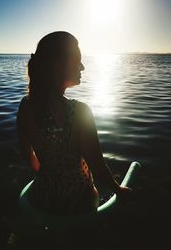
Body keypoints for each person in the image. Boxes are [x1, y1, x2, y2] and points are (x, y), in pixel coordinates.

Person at [16, 31, 131, 216]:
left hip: (42, 196)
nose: (83, 67)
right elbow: (98, 167)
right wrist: (118, 190)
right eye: (77, 60)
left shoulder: (25, 106)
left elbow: (27, 153)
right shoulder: (80, 112)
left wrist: (49, 176)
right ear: (57, 65)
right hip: (79, 201)